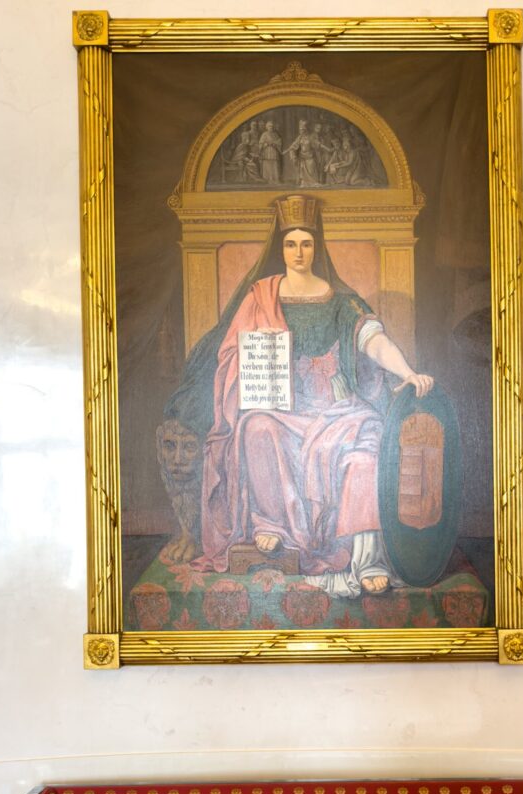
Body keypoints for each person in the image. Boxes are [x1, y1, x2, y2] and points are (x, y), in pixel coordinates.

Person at [163, 194, 433, 597]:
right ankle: (270, 525)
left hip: (337, 410)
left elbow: (373, 342)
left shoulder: (341, 300)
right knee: (255, 426)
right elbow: (231, 350)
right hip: (284, 409)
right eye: (291, 244)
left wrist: (407, 371)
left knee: (366, 453)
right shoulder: (262, 296)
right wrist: (255, 359)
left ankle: (366, 558)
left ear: (316, 247)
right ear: (281, 248)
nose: (298, 252)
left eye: (306, 243)